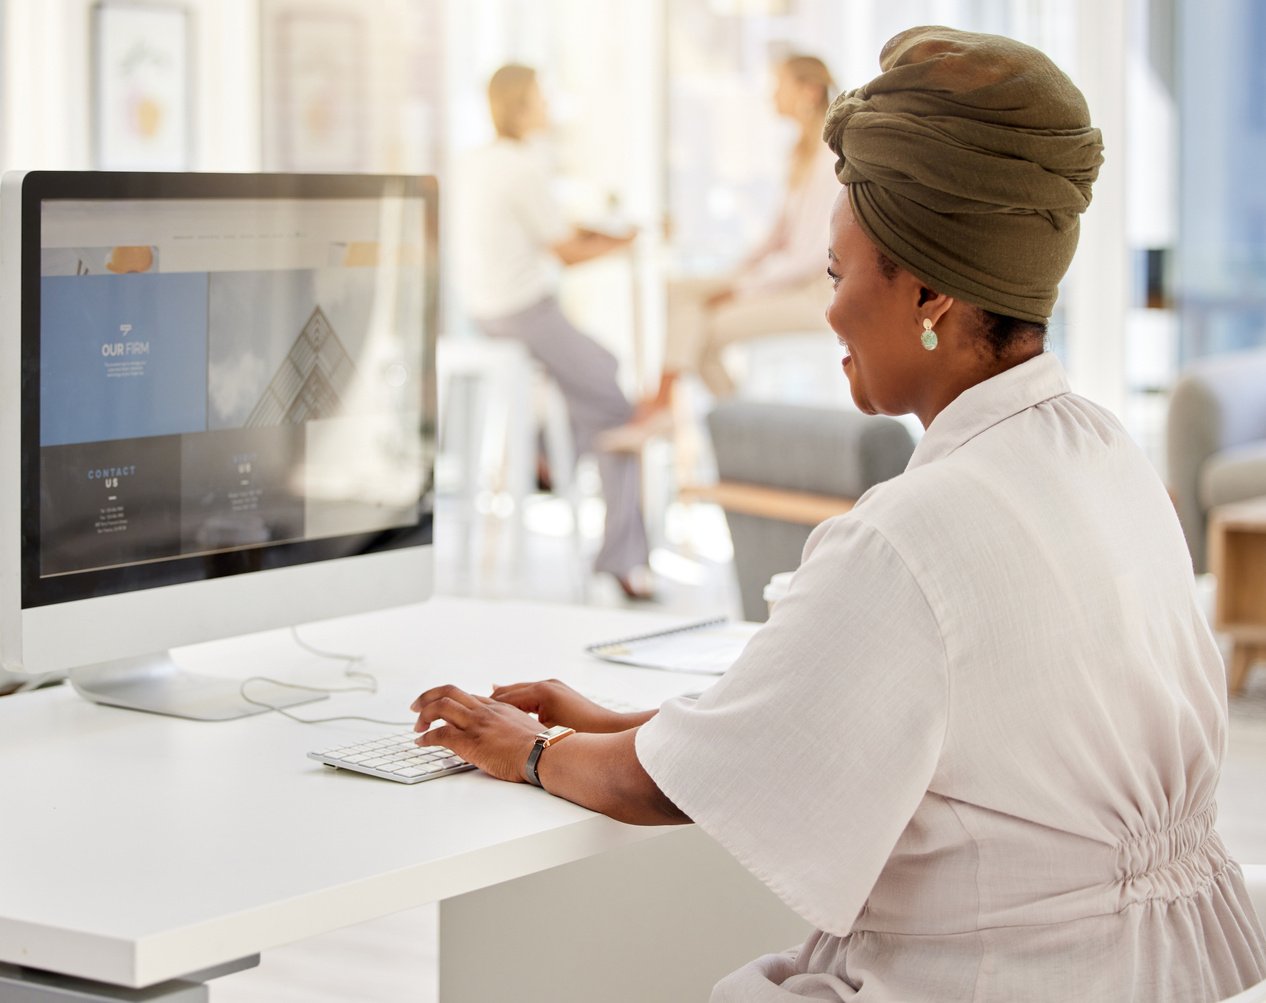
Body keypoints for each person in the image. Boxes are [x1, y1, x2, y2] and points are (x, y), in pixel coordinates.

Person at [416, 27, 1266, 1002]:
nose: (827, 313)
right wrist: (612, 718)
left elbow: (656, 787)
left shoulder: (910, 537)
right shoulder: (1108, 456)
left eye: (837, 274)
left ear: (930, 296)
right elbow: (834, 722)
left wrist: (528, 749)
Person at [454, 64, 652, 599]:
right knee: (614, 400)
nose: (548, 108)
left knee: (594, 394)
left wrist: (605, 234)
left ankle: (550, 448)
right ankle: (618, 555)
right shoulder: (522, 166)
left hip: (486, 313)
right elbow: (565, 252)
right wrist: (627, 242)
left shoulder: (478, 162)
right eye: (542, 98)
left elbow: (555, 229)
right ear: (521, 105)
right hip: (525, 311)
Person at [600, 53, 841, 450]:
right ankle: (713, 420)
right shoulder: (799, 153)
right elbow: (777, 237)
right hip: (786, 280)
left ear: (808, 92)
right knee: (679, 294)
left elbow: (813, 257)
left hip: (813, 294)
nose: (770, 96)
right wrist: (734, 274)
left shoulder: (829, 157)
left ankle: (705, 421)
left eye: (778, 86)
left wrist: (743, 289)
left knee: (701, 329)